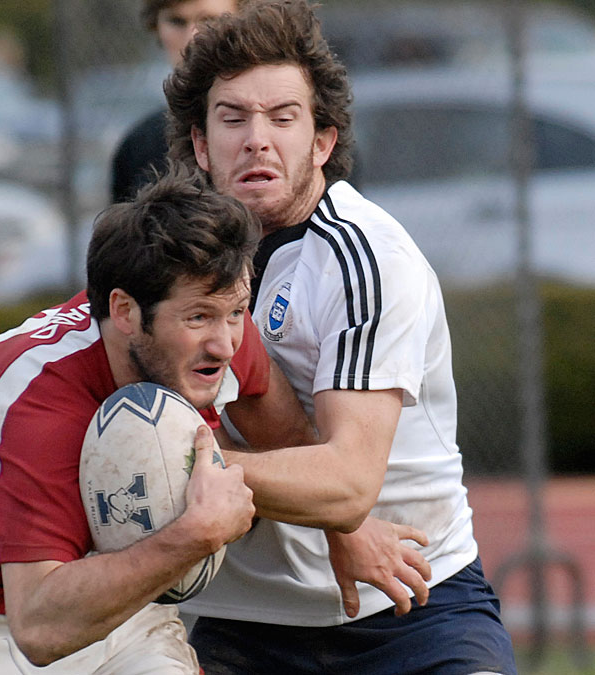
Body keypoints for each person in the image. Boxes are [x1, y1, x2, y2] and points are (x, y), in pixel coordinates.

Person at [163, 2, 518, 673]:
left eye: (282, 117)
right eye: (233, 118)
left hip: (411, 603)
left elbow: (347, 479)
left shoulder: (365, 258)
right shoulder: (171, 268)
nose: (256, 139)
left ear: (323, 142)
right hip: (244, 620)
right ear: (202, 145)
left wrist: (173, 467)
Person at [0, 166, 301, 673]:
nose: (226, 342)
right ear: (125, 313)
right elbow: (40, 630)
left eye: (236, 312)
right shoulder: (35, 407)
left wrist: (349, 534)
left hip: (118, 605)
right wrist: (197, 533)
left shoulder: (210, 335)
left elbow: (299, 451)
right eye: (199, 317)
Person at [110, 0, 237, 204]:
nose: (191, 38)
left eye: (210, 21)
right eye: (176, 21)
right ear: (156, 27)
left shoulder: (270, 135)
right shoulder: (139, 147)